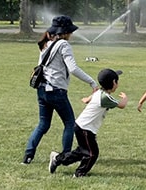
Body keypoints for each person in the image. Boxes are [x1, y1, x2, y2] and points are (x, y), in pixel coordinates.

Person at [22, 15, 98, 164]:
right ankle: (64, 156)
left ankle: (28, 155)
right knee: (70, 124)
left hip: (42, 90)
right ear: (65, 32)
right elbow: (73, 69)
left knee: (43, 124)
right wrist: (92, 82)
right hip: (56, 91)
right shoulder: (63, 45)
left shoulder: (46, 44)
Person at [48, 68, 128, 177]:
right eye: (117, 81)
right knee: (92, 154)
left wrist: (87, 99)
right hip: (85, 129)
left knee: (81, 151)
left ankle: (57, 159)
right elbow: (122, 105)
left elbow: (91, 97)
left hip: (81, 126)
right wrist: (125, 98)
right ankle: (79, 173)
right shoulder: (105, 97)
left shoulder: (100, 92)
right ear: (114, 83)